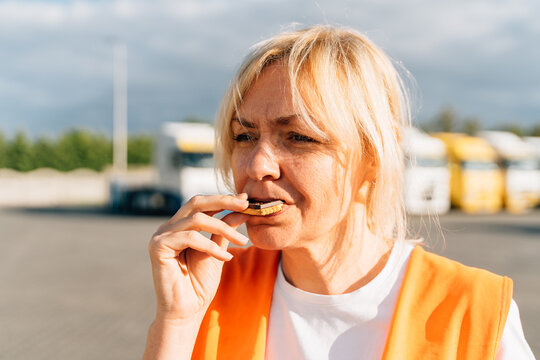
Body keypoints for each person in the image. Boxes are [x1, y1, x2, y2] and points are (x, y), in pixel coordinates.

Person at [143, 26, 534, 359]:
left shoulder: (475, 313)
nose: (256, 164)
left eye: (298, 137)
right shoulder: (208, 293)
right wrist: (176, 321)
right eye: (244, 136)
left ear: (375, 155)